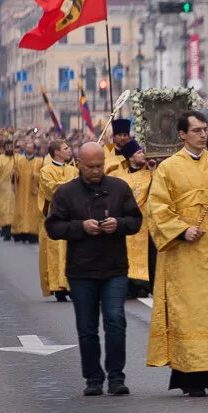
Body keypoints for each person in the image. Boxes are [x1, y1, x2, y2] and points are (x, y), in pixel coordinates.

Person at [146, 111, 208, 397]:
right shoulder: (168, 168)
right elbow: (157, 208)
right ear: (182, 134)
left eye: (205, 130)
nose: (203, 135)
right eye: (197, 130)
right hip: (184, 254)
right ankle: (191, 377)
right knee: (189, 314)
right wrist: (181, 230)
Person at [45, 142, 142, 396]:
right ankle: (93, 378)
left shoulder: (119, 188)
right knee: (87, 327)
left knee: (115, 321)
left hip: (114, 268)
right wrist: (80, 227)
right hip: (81, 270)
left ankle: (116, 376)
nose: (96, 171)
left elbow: (136, 220)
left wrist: (118, 224)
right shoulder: (66, 193)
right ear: (79, 164)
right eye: (90, 167)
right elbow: (53, 227)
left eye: (99, 166)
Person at [111, 139, 154, 298]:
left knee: (143, 255)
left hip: (143, 224)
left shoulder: (149, 173)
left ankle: (142, 284)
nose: (143, 155)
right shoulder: (118, 175)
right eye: (139, 153)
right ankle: (127, 283)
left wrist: (153, 169)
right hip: (125, 222)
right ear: (130, 157)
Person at [38, 140, 78, 302]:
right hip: (57, 217)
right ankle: (58, 286)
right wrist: (72, 184)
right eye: (66, 148)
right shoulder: (45, 171)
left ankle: (72, 285)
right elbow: (51, 189)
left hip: (73, 217)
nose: (70, 150)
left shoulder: (74, 170)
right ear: (56, 153)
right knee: (56, 251)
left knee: (72, 252)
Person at [0, 139, 19, 240]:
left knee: (14, 210)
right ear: (4, 148)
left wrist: (16, 172)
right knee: (4, 211)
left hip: (14, 190)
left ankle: (14, 231)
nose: (10, 149)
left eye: (11, 147)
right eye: (8, 147)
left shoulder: (18, 159)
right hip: (2, 189)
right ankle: (5, 231)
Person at [12, 139, 40, 243]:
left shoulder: (39, 161)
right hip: (22, 192)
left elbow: (42, 176)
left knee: (32, 213)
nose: (29, 149)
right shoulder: (20, 161)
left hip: (32, 193)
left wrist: (36, 176)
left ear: (34, 149)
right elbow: (16, 178)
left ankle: (32, 234)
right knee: (21, 212)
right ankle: (21, 233)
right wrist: (15, 173)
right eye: (27, 147)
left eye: (30, 147)